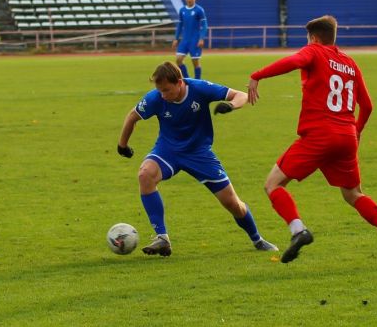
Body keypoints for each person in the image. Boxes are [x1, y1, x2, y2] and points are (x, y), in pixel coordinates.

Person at [247, 15, 377, 268]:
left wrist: (258, 74)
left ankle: (299, 230)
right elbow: (367, 105)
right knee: (354, 194)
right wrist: (357, 131)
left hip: (320, 135)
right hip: (346, 137)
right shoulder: (350, 63)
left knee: (273, 184)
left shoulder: (314, 52)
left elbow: (293, 61)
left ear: (313, 38)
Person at [117, 62, 277, 257]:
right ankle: (162, 238)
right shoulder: (156, 98)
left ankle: (257, 239)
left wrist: (231, 105)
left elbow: (240, 95)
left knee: (232, 203)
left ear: (180, 82)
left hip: (199, 153)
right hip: (168, 150)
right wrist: (122, 145)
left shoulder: (199, 88)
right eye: (160, 90)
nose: (163, 95)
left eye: (166, 90)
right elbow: (132, 117)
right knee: (145, 174)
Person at [172, 0, 208, 80]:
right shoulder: (182, 10)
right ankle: (187, 79)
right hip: (185, 40)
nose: (189, 0)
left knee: (195, 61)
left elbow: (204, 25)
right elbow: (180, 25)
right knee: (178, 60)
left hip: (195, 40)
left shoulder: (199, 10)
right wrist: (176, 38)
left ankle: (197, 82)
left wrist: (201, 38)